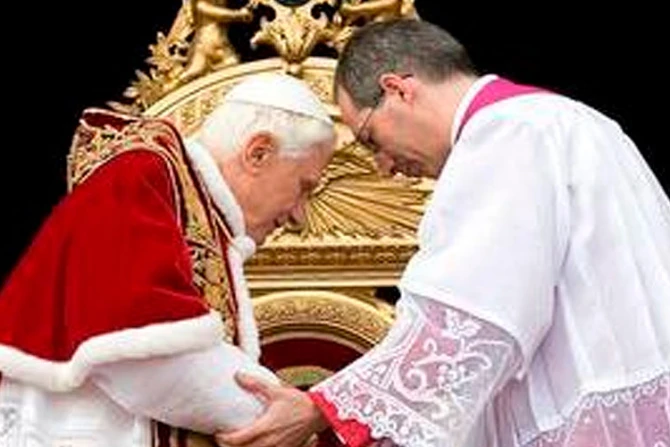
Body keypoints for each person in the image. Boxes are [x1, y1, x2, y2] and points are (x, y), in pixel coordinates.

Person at [217, 19, 670, 447]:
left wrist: (323, 408)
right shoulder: (577, 122)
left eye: (371, 140)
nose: (384, 167)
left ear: (397, 90)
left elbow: (469, 319)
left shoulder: (504, 134)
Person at [0, 73, 335, 446]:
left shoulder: (189, 201)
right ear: (258, 153)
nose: (300, 216)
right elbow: (144, 355)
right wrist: (281, 415)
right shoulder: (137, 178)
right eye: (304, 187)